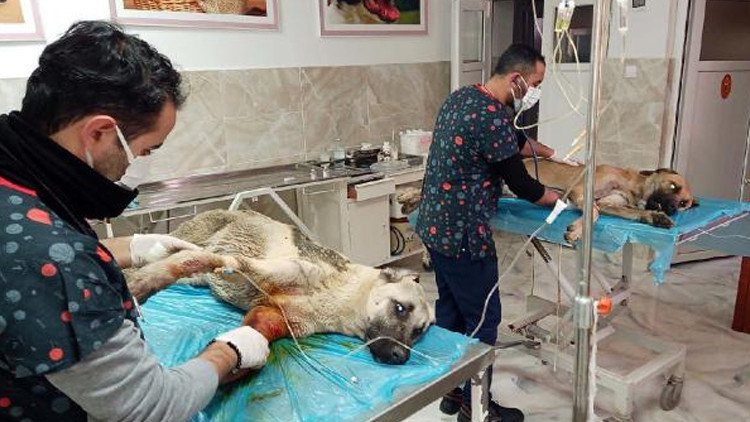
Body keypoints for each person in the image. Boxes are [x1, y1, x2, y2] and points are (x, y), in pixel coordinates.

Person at [0, 21, 270, 422]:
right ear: (99, 132)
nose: (139, 163)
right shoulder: (53, 261)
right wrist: (228, 352)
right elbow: (149, 406)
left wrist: (131, 248)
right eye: (145, 150)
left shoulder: (13, 174)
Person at [416, 44, 570, 422]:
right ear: (517, 79)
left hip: (435, 226)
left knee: (451, 311)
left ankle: (452, 391)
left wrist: (547, 151)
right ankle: (478, 407)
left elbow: (511, 142)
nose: (535, 91)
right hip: (465, 237)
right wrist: (557, 198)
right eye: (536, 83)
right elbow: (522, 185)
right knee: (483, 319)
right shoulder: (494, 117)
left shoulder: (463, 98)